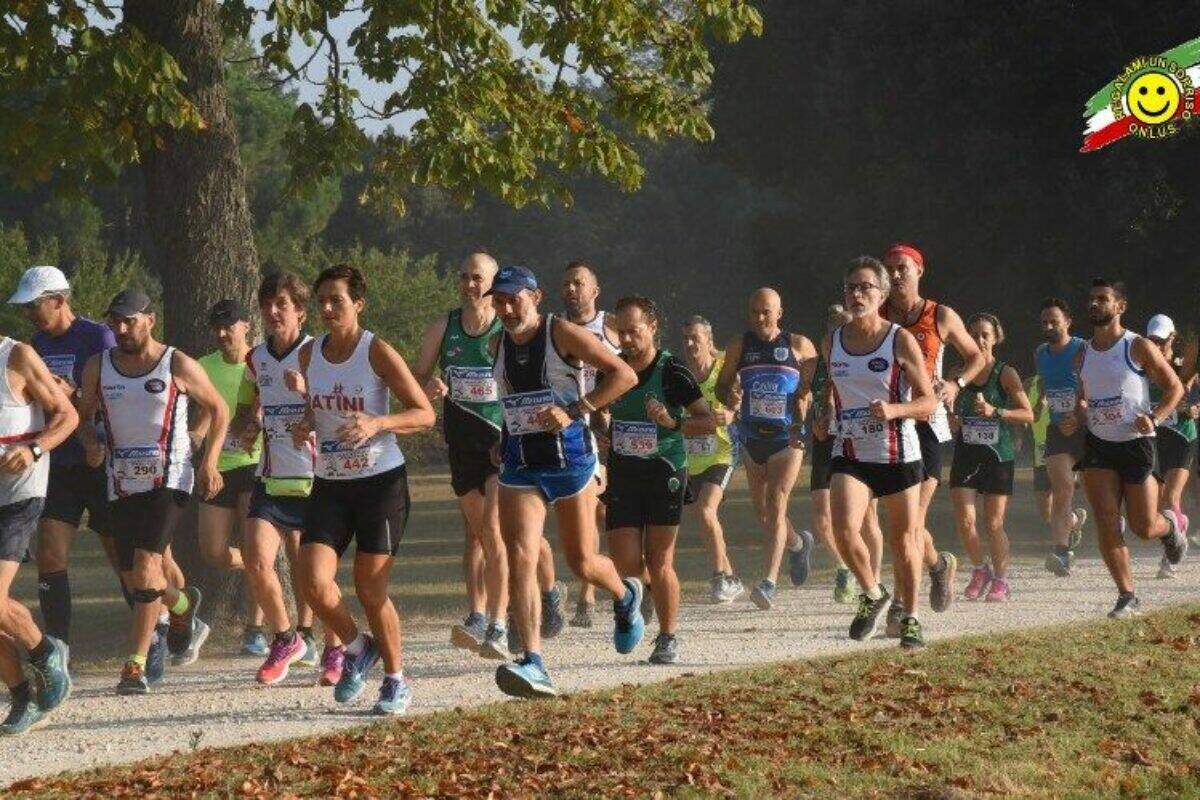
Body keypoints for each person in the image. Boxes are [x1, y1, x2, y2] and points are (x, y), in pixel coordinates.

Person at [488, 265, 642, 699]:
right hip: (521, 463)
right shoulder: (497, 344)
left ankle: (625, 595)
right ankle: (533, 660)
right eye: (498, 300)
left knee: (582, 563)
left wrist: (576, 410)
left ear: (535, 297)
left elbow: (623, 375)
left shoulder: (561, 333)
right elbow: (511, 400)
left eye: (513, 298)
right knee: (520, 552)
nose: (505, 308)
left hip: (570, 459)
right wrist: (503, 437)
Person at [288, 264, 435, 715]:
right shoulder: (310, 354)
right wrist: (306, 425)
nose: (328, 309)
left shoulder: (377, 352)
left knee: (370, 589)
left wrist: (377, 422)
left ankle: (395, 680)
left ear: (358, 304)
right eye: (322, 301)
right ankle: (357, 647)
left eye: (337, 300)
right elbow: (320, 408)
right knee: (312, 582)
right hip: (331, 482)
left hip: (380, 483)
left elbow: (424, 413)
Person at [78, 289, 226, 694]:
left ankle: (135, 665)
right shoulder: (98, 366)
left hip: (170, 477)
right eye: (116, 322)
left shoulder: (175, 363)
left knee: (146, 568)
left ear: (150, 320)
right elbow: (83, 416)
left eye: (129, 321)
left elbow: (218, 408)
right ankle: (182, 606)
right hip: (122, 481)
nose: (121, 329)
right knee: (134, 579)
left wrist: (208, 459)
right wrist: (91, 442)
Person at [414, 253, 559, 660]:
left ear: (494, 284)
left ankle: (495, 622)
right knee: (486, 536)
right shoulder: (444, 327)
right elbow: (417, 376)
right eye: (463, 277)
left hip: (503, 444)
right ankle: (542, 595)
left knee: (496, 536)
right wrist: (429, 389)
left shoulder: (504, 331)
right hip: (461, 446)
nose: (469, 285)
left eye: (478, 278)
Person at [231, 272, 343, 687]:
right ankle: (285, 639)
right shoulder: (255, 358)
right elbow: (246, 404)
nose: (273, 312)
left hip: (316, 480)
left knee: (318, 578)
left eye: (281, 304)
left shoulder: (320, 353)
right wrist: (246, 427)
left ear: (299, 310)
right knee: (257, 561)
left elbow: (341, 406)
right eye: (267, 305)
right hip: (271, 475)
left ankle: (335, 650)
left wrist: (309, 395)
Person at [822, 257, 937, 649]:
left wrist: (895, 410)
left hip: (896, 452)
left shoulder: (898, 339)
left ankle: (911, 618)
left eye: (865, 287)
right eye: (851, 287)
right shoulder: (832, 340)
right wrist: (825, 416)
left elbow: (928, 402)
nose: (856, 294)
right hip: (851, 449)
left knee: (906, 541)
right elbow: (834, 389)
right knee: (842, 529)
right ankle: (872, 593)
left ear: (882, 294)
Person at [7, 267, 121, 660]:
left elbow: (118, 396)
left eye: (35, 304)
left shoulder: (97, 337)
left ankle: (156, 632)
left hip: (101, 459)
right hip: (58, 463)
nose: (30, 314)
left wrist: (73, 395)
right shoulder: (32, 345)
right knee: (50, 556)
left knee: (119, 554)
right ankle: (60, 648)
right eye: (26, 307)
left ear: (60, 299)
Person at [881, 243, 984, 633]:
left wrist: (957, 383)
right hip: (889, 425)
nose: (895, 275)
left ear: (919, 270)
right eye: (888, 268)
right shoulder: (878, 317)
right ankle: (939, 565)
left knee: (909, 522)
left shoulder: (938, 314)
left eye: (902, 268)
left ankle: (899, 603)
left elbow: (977, 357)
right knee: (901, 520)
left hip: (925, 424)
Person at [605, 296, 713, 664]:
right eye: (621, 333)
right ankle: (643, 591)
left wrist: (672, 422)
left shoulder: (672, 371)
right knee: (625, 560)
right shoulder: (612, 369)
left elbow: (708, 420)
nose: (627, 340)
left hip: (664, 470)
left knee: (659, 557)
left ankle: (667, 637)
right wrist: (601, 426)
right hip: (622, 471)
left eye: (634, 331)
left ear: (652, 327)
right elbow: (596, 409)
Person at [1073, 279, 1188, 618]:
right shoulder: (1082, 353)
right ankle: (1127, 596)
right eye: (1091, 299)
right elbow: (1084, 394)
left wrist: (1155, 416)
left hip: (1136, 444)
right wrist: (1079, 410)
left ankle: (1170, 528)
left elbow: (1174, 388)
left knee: (1142, 527)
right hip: (1098, 445)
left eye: (1103, 299)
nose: (1095, 305)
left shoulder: (1137, 346)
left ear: (1119, 306)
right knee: (1106, 521)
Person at [715, 287, 817, 610]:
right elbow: (721, 387)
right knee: (763, 512)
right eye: (755, 311)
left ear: (779, 312)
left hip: (787, 437)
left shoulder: (799, 346)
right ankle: (799, 544)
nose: (760, 318)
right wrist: (729, 397)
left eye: (767, 312)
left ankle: (769, 581)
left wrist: (807, 400)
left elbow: (816, 388)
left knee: (776, 502)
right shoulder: (739, 345)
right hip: (751, 437)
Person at [0, 333, 78, 734]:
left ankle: (47, 654)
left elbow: (67, 415)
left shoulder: (16, 357)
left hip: (19, 494)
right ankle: (22, 697)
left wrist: (33, 449)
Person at [196, 300, 268, 656]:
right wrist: (193, 441)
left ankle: (254, 629)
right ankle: (260, 565)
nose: (223, 334)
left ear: (246, 326)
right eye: (217, 327)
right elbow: (201, 415)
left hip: (256, 463)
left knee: (255, 546)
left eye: (229, 326)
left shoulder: (261, 361)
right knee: (212, 550)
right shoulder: (202, 367)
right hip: (217, 467)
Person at [949, 314, 1033, 602]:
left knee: (993, 523)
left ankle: (1001, 579)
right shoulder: (957, 375)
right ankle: (979, 569)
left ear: (996, 337)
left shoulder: (1005, 373)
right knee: (965, 519)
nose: (978, 339)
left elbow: (1028, 414)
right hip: (966, 453)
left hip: (999, 455)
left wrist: (996, 412)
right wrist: (952, 420)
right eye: (972, 334)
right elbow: (947, 415)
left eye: (985, 334)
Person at [805, 304, 883, 604]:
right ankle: (843, 568)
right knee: (822, 518)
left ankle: (873, 584)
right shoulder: (815, 363)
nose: (839, 334)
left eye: (844, 327)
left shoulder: (865, 357)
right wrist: (812, 422)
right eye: (833, 328)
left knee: (867, 518)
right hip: (826, 440)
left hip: (861, 438)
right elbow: (802, 397)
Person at [560, 261, 620, 628]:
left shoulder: (610, 326)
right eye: (566, 284)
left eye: (578, 283)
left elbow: (634, 366)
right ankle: (589, 594)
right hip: (574, 431)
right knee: (590, 512)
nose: (571, 290)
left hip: (609, 430)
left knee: (604, 513)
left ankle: (627, 583)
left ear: (595, 291)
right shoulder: (556, 330)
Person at [680, 315, 744, 603]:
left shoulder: (725, 370)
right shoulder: (681, 376)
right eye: (686, 338)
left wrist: (731, 414)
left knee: (706, 510)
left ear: (709, 339)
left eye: (696, 338)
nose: (691, 343)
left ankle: (719, 577)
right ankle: (731, 578)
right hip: (691, 457)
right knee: (706, 518)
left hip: (722, 452)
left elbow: (744, 406)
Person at [1034, 297, 1090, 576]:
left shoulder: (1083, 348)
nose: (1049, 326)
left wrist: (1080, 415)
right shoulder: (1041, 353)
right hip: (1057, 429)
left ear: (1067, 322)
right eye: (1044, 322)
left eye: (1054, 321)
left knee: (1096, 489)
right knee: (1062, 489)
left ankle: (1080, 521)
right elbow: (1045, 379)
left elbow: (1096, 384)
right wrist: (1040, 402)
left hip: (1087, 428)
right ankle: (1061, 552)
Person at [1143, 315, 1197, 580]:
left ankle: (1170, 556)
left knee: (1170, 498)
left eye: (1161, 341)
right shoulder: (1143, 368)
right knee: (1156, 504)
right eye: (1152, 341)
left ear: (1172, 339)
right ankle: (1180, 524)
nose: (1157, 346)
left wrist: (1196, 408)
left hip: (1182, 435)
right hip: (1155, 440)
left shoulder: (1183, 366)